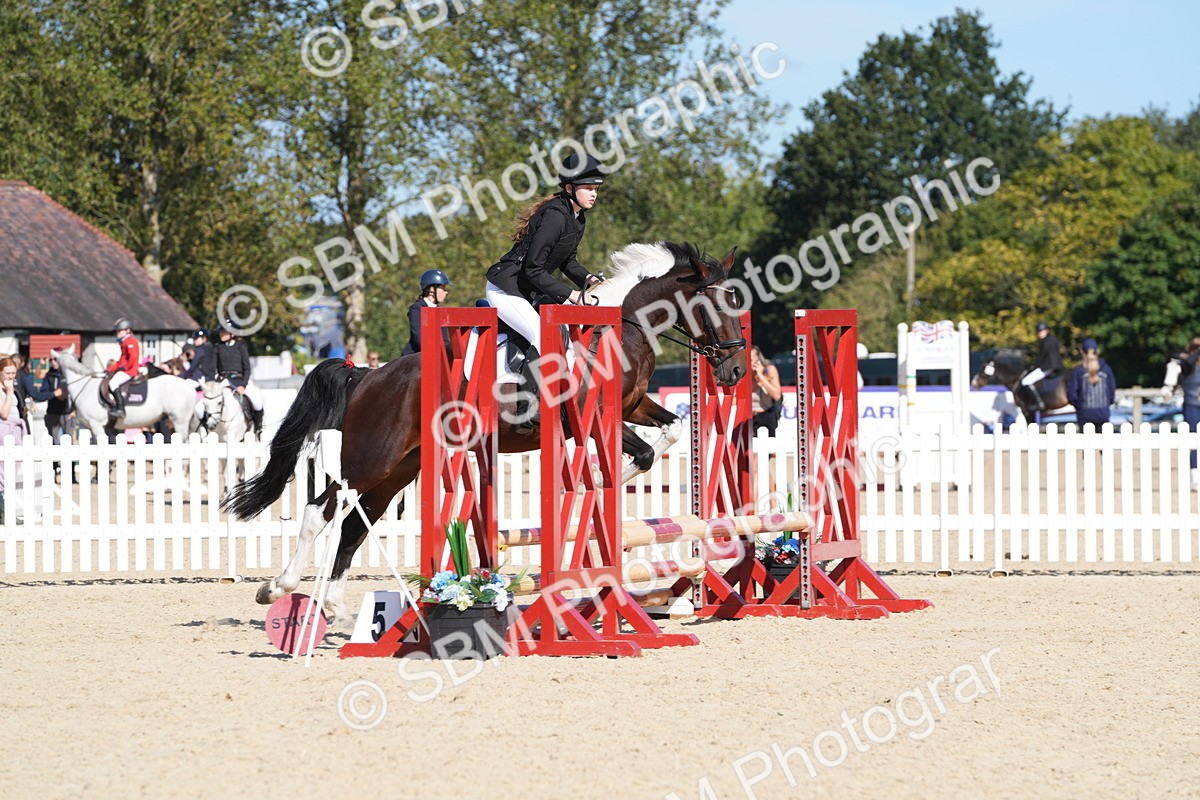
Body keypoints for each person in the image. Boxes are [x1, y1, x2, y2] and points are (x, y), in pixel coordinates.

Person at [484, 153, 607, 431]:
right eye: (588, 188)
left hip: (531, 291)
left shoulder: (578, 218)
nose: (593, 194)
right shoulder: (554, 216)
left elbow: (568, 261)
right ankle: (526, 409)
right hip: (507, 289)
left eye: (596, 189)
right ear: (569, 188)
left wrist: (588, 278)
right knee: (543, 335)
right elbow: (533, 269)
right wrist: (572, 295)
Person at [201, 320, 265, 437]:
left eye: (224, 332)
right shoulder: (217, 348)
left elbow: (247, 369)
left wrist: (243, 385)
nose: (221, 334)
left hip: (239, 381)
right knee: (200, 407)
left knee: (257, 402)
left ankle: (258, 429)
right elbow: (211, 370)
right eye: (221, 331)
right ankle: (205, 429)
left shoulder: (241, 347)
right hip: (221, 382)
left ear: (232, 333)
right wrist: (212, 386)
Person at [1164, 336, 1200, 488]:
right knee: (1192, 440)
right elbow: (1178, 359)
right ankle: (1195, 476)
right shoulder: (1187, 365)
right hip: (1192, 405)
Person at [1065, 338, 1116, 427]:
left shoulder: (1078, 371)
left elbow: (1072, 394)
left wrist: (1079, 407)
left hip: (1084, 415)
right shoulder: (1106, 369)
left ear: (1082, 352)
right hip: (1103, 414)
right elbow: (1112, 391)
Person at [401, 270, 452, 356]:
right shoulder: (416, 308)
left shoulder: (441, 311)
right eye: (443, 288)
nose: (446, 292)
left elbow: (444, 339)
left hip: (435, 353)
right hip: (414, 355)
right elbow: (418, 337)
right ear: (432, 290)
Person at [1019, 321, 1062, 411]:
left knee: (1025, 381)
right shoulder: (1053, 339)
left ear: (1047, 331)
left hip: (1048, 367)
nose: (1039, 334)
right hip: (1057, 366)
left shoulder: (1046, 342)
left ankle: (1039, 402)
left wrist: (1034, 366)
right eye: (1039, 332)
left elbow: (1042, 357)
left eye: (1041, 331)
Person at [105, 318, 141, 420]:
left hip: (130, 370)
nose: (118, 333)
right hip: (126, 369)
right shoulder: (124, 342)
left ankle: (121, 409)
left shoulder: (130, 341)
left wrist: (124, 367)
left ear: (127, 330)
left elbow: (133, 358)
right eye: (117, 331)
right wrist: (109, 369)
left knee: (113, 383)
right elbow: (121, 360)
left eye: (120, 331)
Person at [750, 346, 783, 436]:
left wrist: (761, 377)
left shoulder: (769, 370)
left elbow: (777, 396)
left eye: (751, 360)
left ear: (758, 360)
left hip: (766, 414)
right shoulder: (744, 374)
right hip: (749, 417)